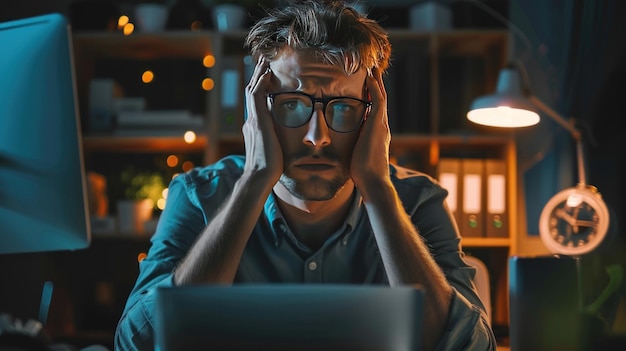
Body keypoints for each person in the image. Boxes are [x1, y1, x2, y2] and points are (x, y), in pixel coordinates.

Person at [114, 1, 496, 350]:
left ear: (374, 115)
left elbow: (473, 347)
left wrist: (379, 190)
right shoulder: (197, 196)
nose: (318, 137)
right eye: (292, 104)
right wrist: (254, 181)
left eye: (343, 107)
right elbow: (136, 344)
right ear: (257, 111)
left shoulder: (417, 201)